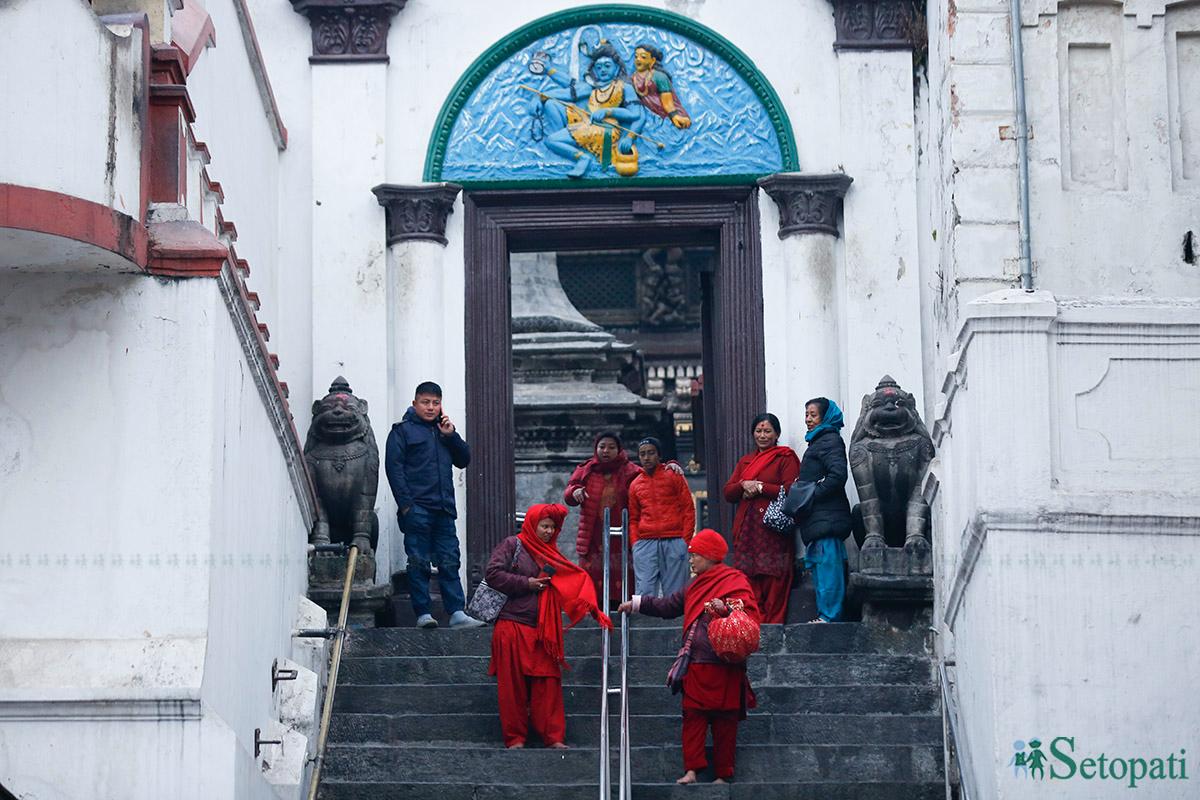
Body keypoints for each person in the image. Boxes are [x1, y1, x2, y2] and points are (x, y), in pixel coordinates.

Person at [618, 529, 759, 785]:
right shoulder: (694, 585)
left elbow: (747, 610)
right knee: (693, 717)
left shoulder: (734, 580)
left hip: (726, 665)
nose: (691, 560)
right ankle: (692, 770)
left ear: (710, 556)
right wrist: (637, 604)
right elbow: (669, 605)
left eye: (695, 555)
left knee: (726, 722)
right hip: (695, 663)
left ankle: (723, 774)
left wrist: (726, 609)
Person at [485, 503, 613, 749]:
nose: (549, 531)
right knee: (512, 686)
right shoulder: (513, 545)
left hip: (542, 631)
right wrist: (527, 583)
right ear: (532, 525)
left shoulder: (552, 553)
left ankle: (553, 736)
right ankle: (515, 738)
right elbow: (493, 574)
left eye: (553, 527)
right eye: (544, 526)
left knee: (548, 684)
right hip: (512, 625)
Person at [384, 381, 483, 630]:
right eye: (425, 402)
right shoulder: (402, 432)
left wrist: (451, 436)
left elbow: (464, 459)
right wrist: (406, 506)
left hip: (444, 509)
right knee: (418, 561)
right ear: (415, 403)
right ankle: (423, 613)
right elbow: (394, 470)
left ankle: (457, 613)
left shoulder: (444, 432)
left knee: (450, 560)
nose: (430, 407)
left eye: (435, 403)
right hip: (417, 508)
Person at [723, 413, 801, 624]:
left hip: (772, 529)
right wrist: (742, 485)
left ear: (777, 434)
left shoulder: (785, 457)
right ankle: (753, 624)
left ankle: (773, 625)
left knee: (774, 577)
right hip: (749, 529)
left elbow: (791, 490)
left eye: (767, 431)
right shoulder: (746, 461)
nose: (762, 435)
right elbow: (728, 492)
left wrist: (760, 487)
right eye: (758, 431)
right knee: (749, 576)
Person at [527, 42, 645, 178]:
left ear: (617, 68)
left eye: (607, 66)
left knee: (551, 140)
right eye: (598, 67)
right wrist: (540, 94)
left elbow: (636, 114)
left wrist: (625, 132)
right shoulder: (591, 87)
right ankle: (565, 145)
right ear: (594, 70)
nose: (603, 70)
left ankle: (581, 157)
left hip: (606, 128)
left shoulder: (624, 87)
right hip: (586, 121)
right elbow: (569, 89)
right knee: (551, 104)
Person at [564, 431, 642, 608]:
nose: (606, 451)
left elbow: (648, 481)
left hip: (622, 534)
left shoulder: (631, 471)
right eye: (602, 447)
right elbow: (569, 492)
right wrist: (575, 491)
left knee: (622, 575)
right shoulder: (586, 469)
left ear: (619, 450)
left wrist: (671, 465)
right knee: (592, 578)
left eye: (611, 447)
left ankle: (622, 607)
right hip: (593, 534)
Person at [797, 397, 852, 623]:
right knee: (821, 568)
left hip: (827, 518)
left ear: (825, 417)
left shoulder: (829, 440)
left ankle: (830, 616)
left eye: (813, 415)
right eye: (806, 415)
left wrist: (811, 494)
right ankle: (825, 615)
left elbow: (838, 475)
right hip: (819, 519)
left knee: (828, 568)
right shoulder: (818, 442)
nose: (808, 420)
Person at [628, 436, 695, 597]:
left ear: (659, 455)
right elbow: (634, 518)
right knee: (644, 591)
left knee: (676, 593)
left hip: (674, 539)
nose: (646, 457)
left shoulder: (673, 476)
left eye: (651, 453)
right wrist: (636, 544)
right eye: (642, 454)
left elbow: (688, 509)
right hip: (645, 542)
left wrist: (684, 541)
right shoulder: (635, 484)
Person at [631, 43, 692, 129]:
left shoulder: (659, 77)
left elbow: (668, 102)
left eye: (643, 57)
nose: (638, 59)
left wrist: (674, 115)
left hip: (670, 115)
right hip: (651, 116)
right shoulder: (633, 78)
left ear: (652, 60)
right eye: (636, 56)